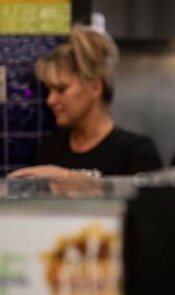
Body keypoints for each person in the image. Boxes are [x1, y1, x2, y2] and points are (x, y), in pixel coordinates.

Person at [9, 26, 163, 180]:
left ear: (95, 88)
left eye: (61, 89)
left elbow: (147, 200)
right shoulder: (51, 149)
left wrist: (67, 177)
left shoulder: (135, 151)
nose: (50, 100)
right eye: (49, 91)